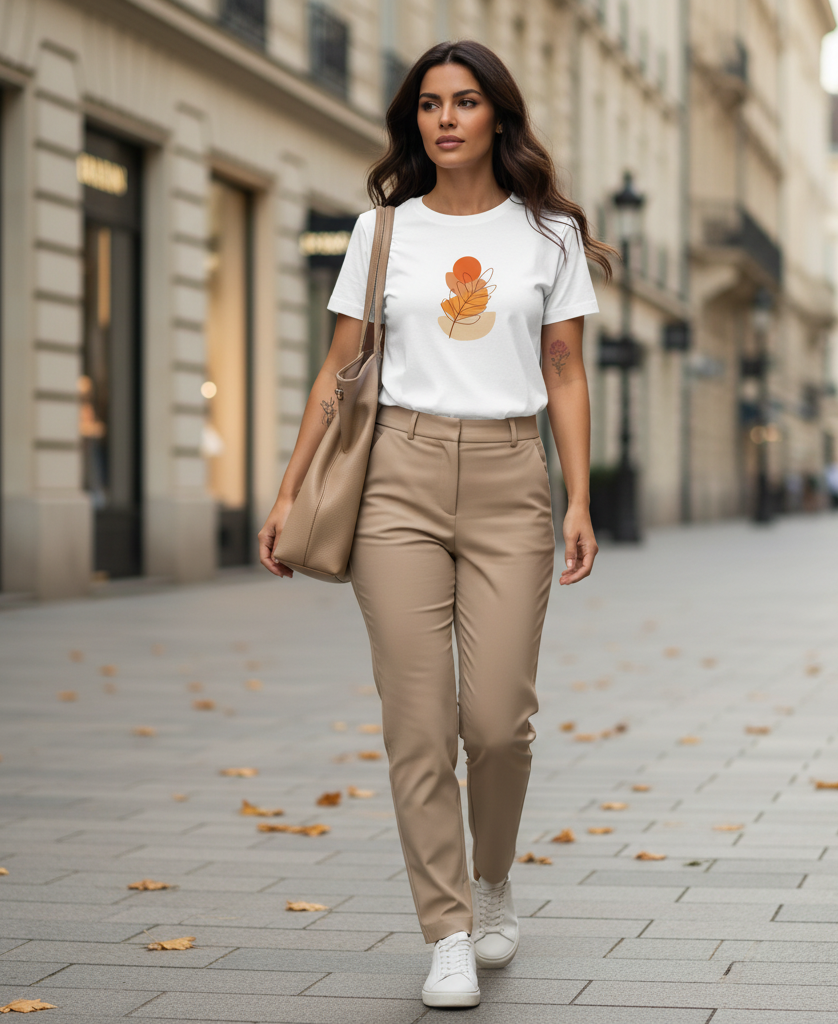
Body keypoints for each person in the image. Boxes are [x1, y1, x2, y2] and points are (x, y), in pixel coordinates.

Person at [257, 41, 608, 1009]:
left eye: (462, 103)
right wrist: (290, 492)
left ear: (498, 115)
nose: (443, 120)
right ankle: (447, 928)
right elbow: (338, 372)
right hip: (395, 481)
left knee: (496, 724)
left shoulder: (550, 236)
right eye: (426, 106)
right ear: (412, 122)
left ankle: (493, 880)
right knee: (418, 724)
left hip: (509, 476)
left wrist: (578, 497)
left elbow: (567, 372)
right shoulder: (380, 234)